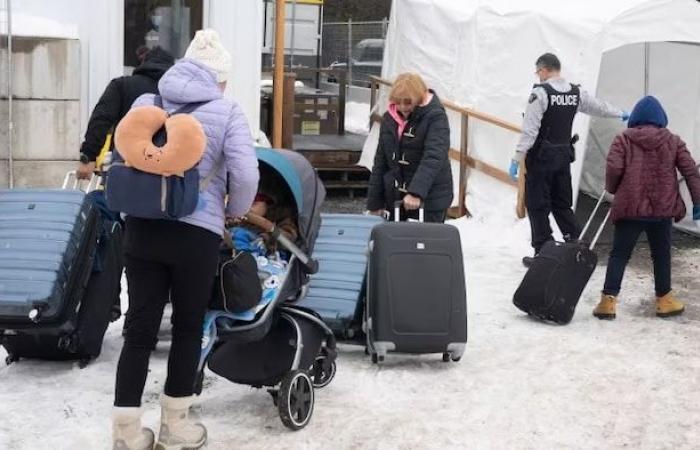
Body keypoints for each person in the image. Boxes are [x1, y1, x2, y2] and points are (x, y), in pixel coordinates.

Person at [111, 29, 259, 450]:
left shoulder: (146, 102)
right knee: (187, 327)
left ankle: (126, 432)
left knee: (138, 328)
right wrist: (234, 209)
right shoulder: (227, 110)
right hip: (196, 234)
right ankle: (176, 429)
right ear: (219, 78)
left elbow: (124, 155)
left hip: (141, 227)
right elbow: (246, 174)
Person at [509, 53, 629, 266]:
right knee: (562, 204)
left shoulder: (541, 94)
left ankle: (543, 254)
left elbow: (530, 131)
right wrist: (620, 113)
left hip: (541, 159)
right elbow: (597, 107)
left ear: (544, 70)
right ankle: (577, 247)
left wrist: (517, 159)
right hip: (563, 157)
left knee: (537, 205)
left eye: (538, 72)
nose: (538, 76)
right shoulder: (575, 92)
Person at [592, 95, 700, 320]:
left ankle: (608, 302)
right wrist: (698, 202)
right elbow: (691, 171)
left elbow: (613, 169)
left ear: (636, 118)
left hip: (629, 208)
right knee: (661, 255)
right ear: (661, 119)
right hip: (662, 210)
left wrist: (613, 188)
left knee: (619, 254)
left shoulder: (623, 140)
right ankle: (664, 300)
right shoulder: (673, 141)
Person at [366, 72, 453, 223]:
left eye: (408, 103)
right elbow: (381, 161)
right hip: (395, 197)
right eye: (398, 102)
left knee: (424, 245)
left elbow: (434, 157)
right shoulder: (389, 119)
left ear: (418, 98)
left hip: (430, 198)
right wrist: (375, 202)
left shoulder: (436, 117)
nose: (402, 107)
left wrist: (416, 192)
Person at [77, 47, 174, 180]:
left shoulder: (121, 85)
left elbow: (101, 120)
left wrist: (88, 157)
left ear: (143, 64)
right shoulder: (176, 92)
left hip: (124, 165)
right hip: (165, 171)